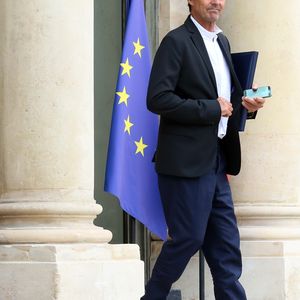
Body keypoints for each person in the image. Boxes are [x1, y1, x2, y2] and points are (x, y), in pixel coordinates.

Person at [141, 0, 265, 299]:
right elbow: (157, 99)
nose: (216, 2)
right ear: (191, 1)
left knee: (226, 247)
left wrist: (247, 106)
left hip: (218, 161)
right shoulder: (176, 41)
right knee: (188, 239)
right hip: (184, 164)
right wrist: (211, 109)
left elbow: (227, 102)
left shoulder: (221, 40)